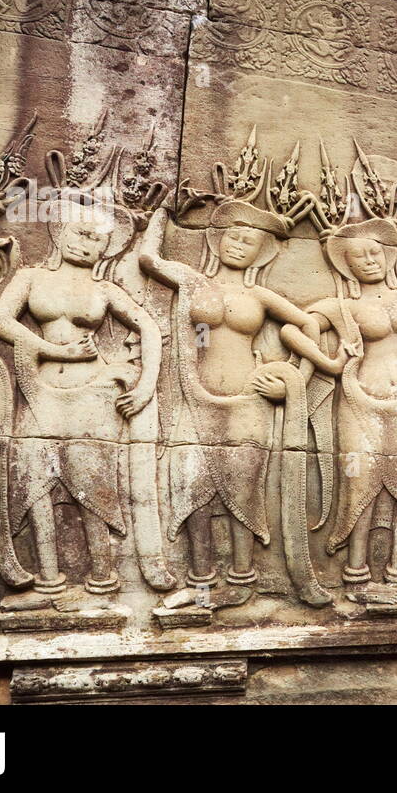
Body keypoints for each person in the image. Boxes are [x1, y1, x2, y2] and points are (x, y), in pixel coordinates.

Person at [139, 202, 338, 606]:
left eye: (248, 242)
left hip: (251, 398)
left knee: (243, 489)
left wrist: (293, 376)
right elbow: (148, 259)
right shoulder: (192, 282)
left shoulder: (259, 295)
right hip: (195, 394)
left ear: (261, 253)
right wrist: (163, 210)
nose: (237, 246)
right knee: (194, 486)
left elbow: (308, 326)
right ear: (216, 240)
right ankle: (199, 579)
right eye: (232, 236)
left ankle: (243, 576)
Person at [0, 197, 164, 596]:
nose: (84, 244)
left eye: (95, 241)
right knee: (34, 476)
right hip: (39, 388)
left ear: (105, 250)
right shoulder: (32, 277)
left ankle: (103, 573)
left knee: (93, 479)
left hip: (93, 392)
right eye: (78, 233)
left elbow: (149, 327)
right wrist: (53, 350)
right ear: (60, 232)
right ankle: (48, 577)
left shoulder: (103, 289)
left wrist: (145, 385)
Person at [302, 188, 397, 603]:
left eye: (374, 253)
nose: (369, 261)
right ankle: (356, 578)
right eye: (358, 258)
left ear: (387, 254)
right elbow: (294, 326)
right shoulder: (341, 306)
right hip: (357, 399)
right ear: (347, 267)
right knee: (361, 484)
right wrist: (328, 361)